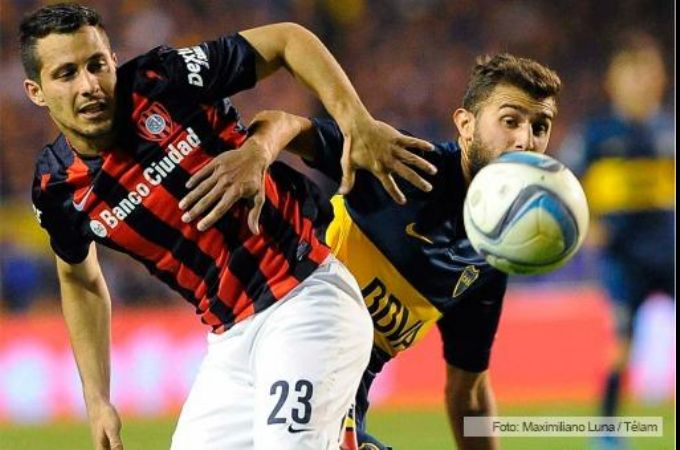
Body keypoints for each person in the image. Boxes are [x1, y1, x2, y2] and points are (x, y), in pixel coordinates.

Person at [20, 3, 436, 450]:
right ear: (36, 91)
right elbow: (79, 278)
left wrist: (356, 123)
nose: (89, 85)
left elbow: (288, 40)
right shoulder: (57, 188)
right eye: (66, 74)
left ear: (113, 61)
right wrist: (97, 399)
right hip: (230, 342)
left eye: (97, 65)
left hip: (305, 300)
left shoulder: (163, 80)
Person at [182, 53, 563, 450]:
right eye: (510, 121)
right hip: (272, 349)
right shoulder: (403, 163)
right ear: (466, 125)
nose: (525, 141)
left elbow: (469, 391)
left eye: (540, 127)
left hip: (336, 405)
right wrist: (257, 153)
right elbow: (286, 124)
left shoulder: (489, 257)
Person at [559, 31, 674, 450]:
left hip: (670, 252)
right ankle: (607, 431)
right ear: (613, 81)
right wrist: (587, 225)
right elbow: (562, 186)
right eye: (632, 74)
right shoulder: (595, 136)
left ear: (660, 79)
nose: (641, 83)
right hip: (623, 259)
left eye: (648, 73)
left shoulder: (669, 130)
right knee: (622, 344)